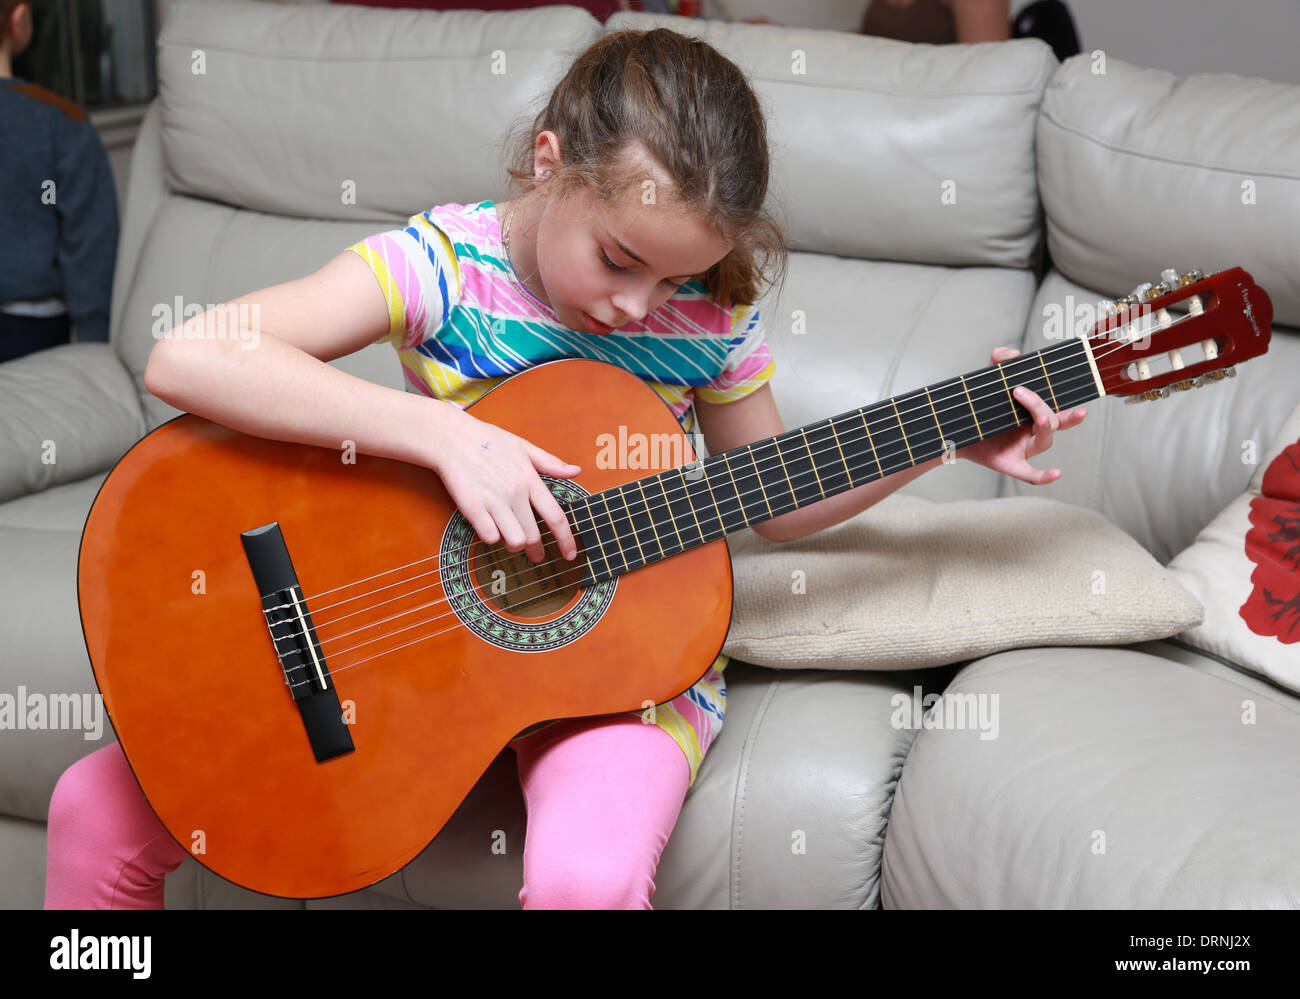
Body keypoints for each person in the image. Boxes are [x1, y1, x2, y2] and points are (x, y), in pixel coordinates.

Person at [44, 27, 1085, 910]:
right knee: (90, 810)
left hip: (617, 668)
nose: (637, 306)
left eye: (672, 275)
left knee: (585, 881)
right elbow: (190, 355)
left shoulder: (708, 319)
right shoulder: (445, 265)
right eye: (619, 260)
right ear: (549, 163)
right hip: (406, 652)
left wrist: (946, 433)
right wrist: (450, 437)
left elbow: (776, 496)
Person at [0, 0, 119, 363]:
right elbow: (90, 244)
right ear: (18, 20)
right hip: (33, 326)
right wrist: (95, 340)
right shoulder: (61, 119)